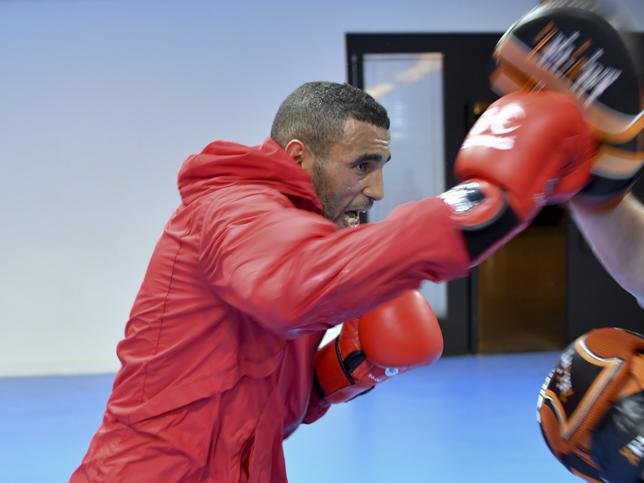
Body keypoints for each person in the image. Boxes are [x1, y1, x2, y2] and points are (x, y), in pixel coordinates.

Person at [70, 81, 597, 482]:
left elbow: (268, 403)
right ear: (300, 156)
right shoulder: (234, 211)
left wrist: (339, 373)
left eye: (383, 164)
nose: (378, 188)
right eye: (362, 165)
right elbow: (298, 286)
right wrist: (487, 205)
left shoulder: (294, 232)